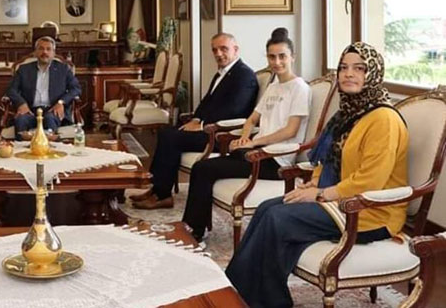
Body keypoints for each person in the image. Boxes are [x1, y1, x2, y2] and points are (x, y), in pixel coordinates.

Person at [226, 42, 408, 308]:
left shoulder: (384, 120)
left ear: (373, 74)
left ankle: (262, 300)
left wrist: (320, 194)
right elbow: (331, 157)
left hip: (369, 211)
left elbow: (370, 181)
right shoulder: (349, 113)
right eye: (343, 68)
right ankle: (239, 292)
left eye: (359, 68)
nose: (348, 74)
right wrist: (313, 182)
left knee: (278, 218)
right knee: (266, 209)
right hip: (339, 198)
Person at [181, 27, 311, 240]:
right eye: (272, 57)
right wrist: (244, 138)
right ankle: (192, 226)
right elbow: (251, 119)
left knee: (203, 168)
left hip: (276, 161)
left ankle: (193, 231)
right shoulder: (274, 86)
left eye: (282, 56)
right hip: (257, 152)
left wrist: (253, 143)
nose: (277, 62)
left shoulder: (300, 88)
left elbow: (291, 130)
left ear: (292, 57)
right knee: (205, 167)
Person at [132, 33, 259, 209]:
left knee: (171, 137)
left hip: (222, 135)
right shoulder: (223, 73)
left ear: (235, 49)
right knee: (167, 132)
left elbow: (233, 111)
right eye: (215, 50)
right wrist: (197, 118)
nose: (218, 54)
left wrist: (201, 125)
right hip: (207, 127)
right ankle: (157, 189)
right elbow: (206, 102)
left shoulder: (244, 75)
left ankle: (162, 195)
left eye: (224, 49)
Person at [5, 36, 81, 139]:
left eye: (48, 49)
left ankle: (51, 147)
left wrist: (61, 102)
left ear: (53, 53)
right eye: (41, 48)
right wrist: (21, 103)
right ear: (35, 52)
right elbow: (11, 90)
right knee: (21, 120)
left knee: (49, 119)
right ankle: (20, 148)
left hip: (52, 109)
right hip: (30, 110)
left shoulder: (63, 69)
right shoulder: (24, 69)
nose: (44, 52)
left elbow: (76, 89)